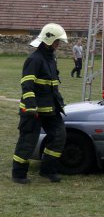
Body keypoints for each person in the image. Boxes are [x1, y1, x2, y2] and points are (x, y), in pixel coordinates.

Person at [12, 23, 68, 184]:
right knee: (28, 141)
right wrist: (30, 107)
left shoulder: (51, 58)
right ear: (48, 41)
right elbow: (27, 85)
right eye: (57, 41)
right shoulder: (34, 59)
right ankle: (19, 174)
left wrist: (59, 104)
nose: (58, 44)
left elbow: (51, 85)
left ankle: (48, 170)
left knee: (59, 136)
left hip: (51, 108)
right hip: (33, 110)